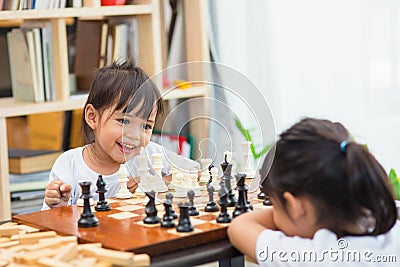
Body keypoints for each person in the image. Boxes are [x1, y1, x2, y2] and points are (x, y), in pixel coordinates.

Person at [228, 117, 399, 266]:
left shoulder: (316, 257)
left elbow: (239, 227)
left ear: (297, 206)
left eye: (275, 205)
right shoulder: (392, 230)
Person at [43, 60, 199, 209]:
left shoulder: (150, 153)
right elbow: (52, 222)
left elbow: (197, 173)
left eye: (145, 126)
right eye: (124, 122)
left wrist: (159, 182)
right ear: (92, 117)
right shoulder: (69, 165)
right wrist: (59, 205)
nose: (134, 135)